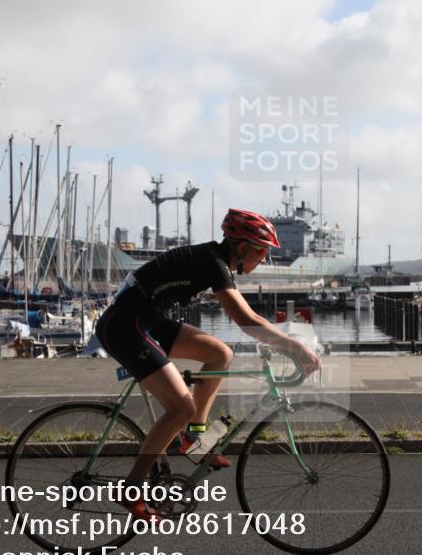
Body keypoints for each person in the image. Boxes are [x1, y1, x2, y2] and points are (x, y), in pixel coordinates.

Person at [94, 208, 322, 521]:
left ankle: (194, 438)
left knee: (220, 355)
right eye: (262, 251)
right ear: (241, 247)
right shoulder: (214, 264)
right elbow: (247, 320)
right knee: (180, 408)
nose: (265, 259)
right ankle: (132, 487)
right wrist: (295, 347)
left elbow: (247, 321)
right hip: (125, 327)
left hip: (147, 319)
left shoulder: (215, 261)